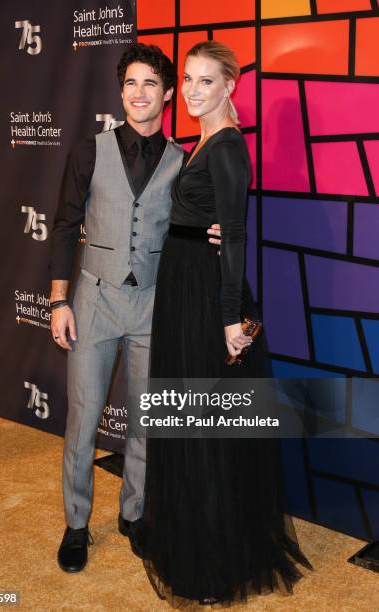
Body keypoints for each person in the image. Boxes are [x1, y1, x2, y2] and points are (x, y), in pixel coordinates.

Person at [141, 41, 313, 606]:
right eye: (187, 79)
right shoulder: (202, 141)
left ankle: (215, 565)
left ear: (230, 86)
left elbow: (234, 234)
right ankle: (193, 540)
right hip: (184, 287)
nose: (191, 90)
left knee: (208, 429)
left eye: (205, 81)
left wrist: (228, 319)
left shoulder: (229, 146)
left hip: (207, 297)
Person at [49, 43, 220, 573]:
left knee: (147, 419)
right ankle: (76, 524)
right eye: (130, 83)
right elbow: (62, 227)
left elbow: (183, 228)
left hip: (152, 303)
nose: (138, 93)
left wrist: (209, 233)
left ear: (168, 95)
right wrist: (58, 299)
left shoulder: (183, 159)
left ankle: (135, 513)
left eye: (150, 84)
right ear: (120, 92)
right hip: (94, 300)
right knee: (82, 419)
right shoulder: (88, 151)